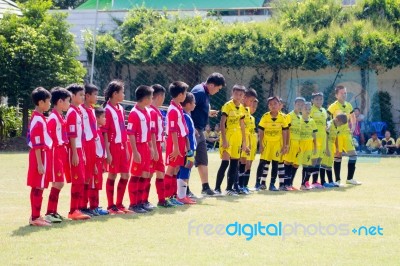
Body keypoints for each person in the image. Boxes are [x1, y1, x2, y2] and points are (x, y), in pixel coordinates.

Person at [191, 73, 225, 196]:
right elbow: (186, 107)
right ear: (211, 85)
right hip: (193, 131)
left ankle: (205, 187)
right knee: (188, 160)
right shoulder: (199, 92)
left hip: (200, 131)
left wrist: (208, 112)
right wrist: (191, 127)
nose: (217, 91)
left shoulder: (205, 92)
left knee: (202, 159)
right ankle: (185, 189)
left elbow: (197, 108)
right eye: (217, 88)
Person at [103, 80, 133, 215]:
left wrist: (126, 147)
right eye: (122, 92)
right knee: (113, 174)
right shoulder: (107, 110)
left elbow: (123, 129)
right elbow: (105, 132)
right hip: (113, 147)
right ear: (115, 94)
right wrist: (108, 152)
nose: (124, 95)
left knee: (126, 174)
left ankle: (120, 203)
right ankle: (111, 205)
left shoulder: (120, 108)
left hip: (122, 146)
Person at [214, 85, 248, 196]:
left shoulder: (242, 108)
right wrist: (223, 139)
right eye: (237, 94)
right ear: (232, 93)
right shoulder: (227, 106)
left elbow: (242, 126)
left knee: (234, 164)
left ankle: (229, 188)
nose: (239, 96)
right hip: (228, 136)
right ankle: (217, 188)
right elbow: (222, 123)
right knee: (225, 163)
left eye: (241, 94)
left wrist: (244, 142)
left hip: (237, 138)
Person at [27, 87, 53, 226]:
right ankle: (35, 217)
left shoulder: (40, 117)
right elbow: (37, 143)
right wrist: (40, 163)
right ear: (41, 102)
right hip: (40, 155)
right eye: (48, 101)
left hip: (42, 155)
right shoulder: (37, 119)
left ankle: (36, 216)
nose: (50, 104)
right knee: (38, 186)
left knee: (39, 186)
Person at [127, 85, 155, 213]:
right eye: (150, 97)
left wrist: (151, 147)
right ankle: (133, 204)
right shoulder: (134, 113)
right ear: (144, 98)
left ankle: (142, 201)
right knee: (136, 174)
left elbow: (148, 131)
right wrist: (135, 151)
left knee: (145, 174)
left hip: (145, 146)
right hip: (138, 146)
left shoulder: (147, 111)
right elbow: (131, 133)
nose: (152, 99)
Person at [45, 87, 71, 223]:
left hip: (61, 151)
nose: (69, 104)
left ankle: (53, 212)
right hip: (55, 152)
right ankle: (49, 212)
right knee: (58, 183)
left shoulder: (60, 116)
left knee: (59, 183)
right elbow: (49, 138)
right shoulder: (53, 118)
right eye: (67, 101)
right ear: (60, 102)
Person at [327, 85, 362, 186]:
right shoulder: (333, 106)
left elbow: (352, 116)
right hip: (336, 136)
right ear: (336, 95)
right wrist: (328, 128)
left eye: (345, 93)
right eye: (342, 93)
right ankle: (337, 180)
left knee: (353, 155)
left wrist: (353, 127)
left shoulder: (348, 105)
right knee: (338, 156)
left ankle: (350, 179)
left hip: (346, 134)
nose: (344, 95)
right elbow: (327, 118)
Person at [66, 84, 91, 220]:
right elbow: (71, 135)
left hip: (80, 149)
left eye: (83, 95)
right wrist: (75, 153)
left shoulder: (78, 111)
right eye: (80, 95)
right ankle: (72, 210)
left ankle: (76, 209)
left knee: (80, 180)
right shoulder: (71, 112)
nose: (83, 97)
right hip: (75, 150)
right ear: (72, 96)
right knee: (77, 181)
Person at [148, 84, 174, 208]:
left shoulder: (157, 111)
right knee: (149, 173)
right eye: (163, 96)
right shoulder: (152, 111)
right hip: (153, 145)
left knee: (159, 172)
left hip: (157, 144)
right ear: (159, 96)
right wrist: (154, 147)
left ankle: (162, 199)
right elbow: (151, 131)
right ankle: (142, 200)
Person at [255, 97, 289, 191]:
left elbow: (285, 131)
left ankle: (272, 184)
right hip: (267, 144)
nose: (273, 106)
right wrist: (261, 144)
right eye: (270, 104)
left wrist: (285, 145)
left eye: (275, 103)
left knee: (275, 163)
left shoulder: (282, 117)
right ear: (268, 106)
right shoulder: (265, 116)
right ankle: (261, 183)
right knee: (263, 163)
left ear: (279, 105)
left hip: (277, 144)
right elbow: (261, 131)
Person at [164, 81, 189, 205]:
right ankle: (166, 197)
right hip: (175, 143)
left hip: (179, 142)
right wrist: (175, 148)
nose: (186, 96)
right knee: (171, 169)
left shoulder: (178, 107)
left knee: (176, 168)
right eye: (184, 93)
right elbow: (172, 130)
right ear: (180, 95)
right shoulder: (173, 109)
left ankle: (173, 196)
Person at [79, 84, 99, 217]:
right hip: (84, 146)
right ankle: (81, 206)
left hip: (92, 145)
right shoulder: (80, 110)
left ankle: (87, 206)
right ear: (87, 96)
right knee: (84, 178)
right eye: (95, 94)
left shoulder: (92, 110)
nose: (97, 97)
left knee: (90, 177)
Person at [177, 92, 197, 204]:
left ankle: (182, 195)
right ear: (188, 104)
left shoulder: (186, 115)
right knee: (185, 171)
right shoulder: (185, 116)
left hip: (189, 148)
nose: (195, 104)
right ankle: (181, 196)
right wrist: (188, 150)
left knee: (186, 171)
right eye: (194, 103)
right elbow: (185, 134)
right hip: (187, 150)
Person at [283, 97, 305, 191]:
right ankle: (285, 184)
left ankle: (291, 183)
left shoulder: (301, 117)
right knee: (288, 162)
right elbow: (286, 130)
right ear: (294, 104)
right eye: (298, 104)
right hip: (291, 142)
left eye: (302, 105)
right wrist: (286, 144)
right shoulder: (289, 116)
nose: (300, 106)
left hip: (298, 144)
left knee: (296, 164)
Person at [320, 114, 348, 188]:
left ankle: (331, 181)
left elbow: (335, 138)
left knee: (329, 164)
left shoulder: (337, 127)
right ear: (337, 119)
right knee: (324, 164)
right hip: (327, 144)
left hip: (331, 145)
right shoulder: (329, 124)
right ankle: (323, 182)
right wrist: (326, 149)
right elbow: (325, 136)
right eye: (341, 123)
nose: (340, 125)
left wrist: (337, 147)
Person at [238, 88, 257, 194]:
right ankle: (236, 185)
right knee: (238, 162)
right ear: (244, 98)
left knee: (245, 161)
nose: (251, 104)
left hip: (247, 140)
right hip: (239, 139)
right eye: (251, 101)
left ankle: (242, 185)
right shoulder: (239, 109)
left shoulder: (247, 111)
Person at [91, 107, 109, 215]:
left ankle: (96, 206)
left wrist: (103, 162)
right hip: (95, 161)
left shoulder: (99, 130)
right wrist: (94, 164)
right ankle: (93, 207)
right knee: (93, 185)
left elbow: (101, 147)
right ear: (96, 118)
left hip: (99, 161)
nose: (105, 119)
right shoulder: (94, 132)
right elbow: (93, 149)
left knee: (97, 185)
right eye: (103, 117)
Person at [309, 92, 328, 189]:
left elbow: (324, 124)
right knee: (313, 159)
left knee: (319, 159)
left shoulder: (324, 110)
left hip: (323, 138)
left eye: (321, 99)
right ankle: (307, 182)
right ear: (312, 100)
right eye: (316, 99)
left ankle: (315, 181)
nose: (319, 101)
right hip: (314, 138)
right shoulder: (311, 110)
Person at [298, 102, 318, 190]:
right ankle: (288, 184)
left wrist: (315, 146)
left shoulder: (312, 121)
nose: (308, 110)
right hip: (299, 146)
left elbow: (314, 135)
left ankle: (303, 184)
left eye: (309, 109)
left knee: (306, 165)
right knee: (294, 165)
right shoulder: (299, 120)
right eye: (306, 108)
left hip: (309, 146)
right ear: (301, 109)